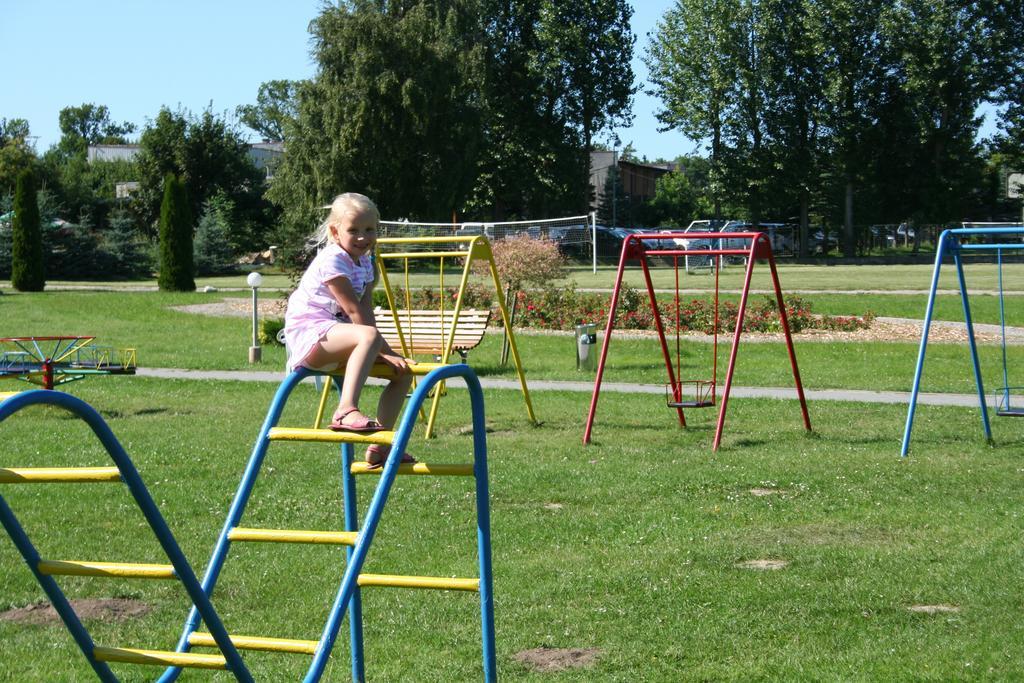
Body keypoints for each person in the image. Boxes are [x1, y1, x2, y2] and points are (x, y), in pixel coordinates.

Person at [284, 192, 415, 468]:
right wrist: (382, 347)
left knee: (403, 372)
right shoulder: (333, 259)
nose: (362, 237)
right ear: (335, 231)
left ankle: (381, 446)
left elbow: (366, 313)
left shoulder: (365, 263)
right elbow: (354, 312)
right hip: (311, 335)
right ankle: (345, 410)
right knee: (368, 336)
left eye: (369, 230)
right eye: (353, 230)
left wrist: (390, 355)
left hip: (342, 337)